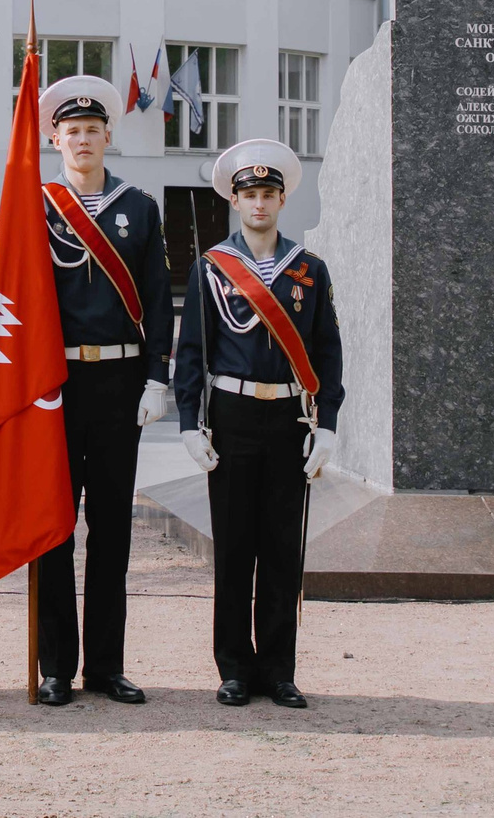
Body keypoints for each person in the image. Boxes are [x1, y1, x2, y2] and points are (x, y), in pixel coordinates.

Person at [173, 137, 345, 711]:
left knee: (280, 548)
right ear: (235, 201)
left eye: (269, 194)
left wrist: (328, 425)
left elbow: (327, 350)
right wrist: (188, 423)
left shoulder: (309, 269)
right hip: (232, 414)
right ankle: (234, 669)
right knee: (235, 548)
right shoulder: (213, 269)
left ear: (282, 200)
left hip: (290, 416)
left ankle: (279, 668)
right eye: (249, 195)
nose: (260, 204)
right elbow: (192, 350)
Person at [27, 75, 172, 707]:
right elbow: (13, 304)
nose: (82, 140)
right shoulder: (33, 204)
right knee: (55, 526)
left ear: (108, 136)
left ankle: (106, 667)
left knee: (112, 528)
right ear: (53, 139)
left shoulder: (139, 207)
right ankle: (56, 665)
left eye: (92, 130)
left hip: (118, 383)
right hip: (55, 384)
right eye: (70, 131)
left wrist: (156, 377)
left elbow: (159, 301)